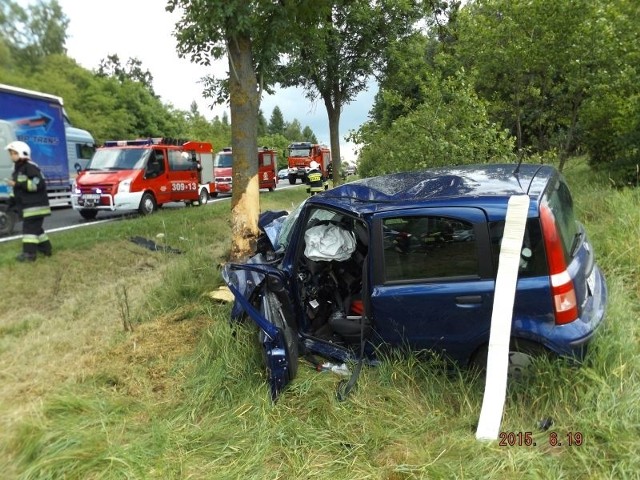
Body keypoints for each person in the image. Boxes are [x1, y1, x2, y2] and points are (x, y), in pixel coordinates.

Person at [5, 141, 52, 262]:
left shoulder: (30, 167)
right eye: (11, 153)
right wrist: (11, 203)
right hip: (28, 207)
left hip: (35, 207)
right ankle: (46, 250)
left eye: (14, 153)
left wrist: (18, 184)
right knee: (37, 230)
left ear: (22, 153)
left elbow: (38, 184)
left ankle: (29, 255)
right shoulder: (18, 169)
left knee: (29, 231)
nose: (12, 156)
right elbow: (17, 189)